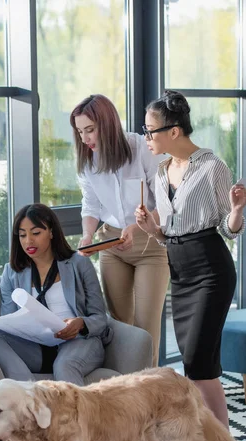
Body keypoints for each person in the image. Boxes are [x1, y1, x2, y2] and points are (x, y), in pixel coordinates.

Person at [135, 90, 246, 441]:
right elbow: (169, 235)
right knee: (195, 367)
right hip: (179, 271)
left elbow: (228, 229)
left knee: (201, 367)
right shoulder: (159, 172)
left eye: (150, 131)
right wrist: (152, 229)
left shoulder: (212, 166)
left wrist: (236, 211)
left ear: (175, 130)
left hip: (211, 269)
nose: (146, 138)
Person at [0, 203, 112, 386]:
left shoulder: (79, 263)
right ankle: (28, 391)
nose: (28, 241)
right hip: (35, 346)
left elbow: (100, 318)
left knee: (65, 365)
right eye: (22, 235)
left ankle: (76, 414)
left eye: (36, 233)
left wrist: (80, 323)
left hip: (77, 341)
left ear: (51, 232)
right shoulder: (12, 272)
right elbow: (8, 322)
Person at [70, 94, 170, 366]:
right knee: (120, 328)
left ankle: (150, 399)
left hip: (150, 244)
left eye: (90, 129)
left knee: (145, 330)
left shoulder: (141, 149)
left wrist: (135, 229)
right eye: (80, 131)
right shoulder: (87, 161)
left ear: (108, 124)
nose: (84, 138)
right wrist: (88, 236)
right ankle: (126, 397)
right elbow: (90, 205)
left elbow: (166, 204)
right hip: (111, 245)